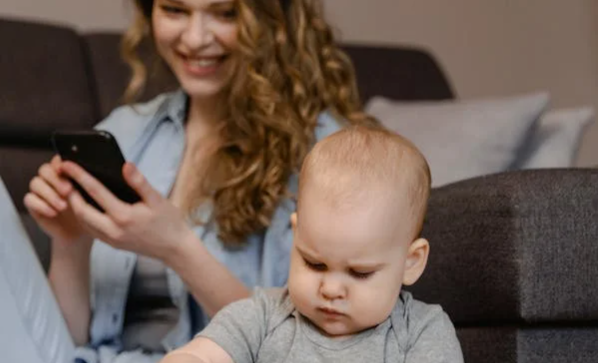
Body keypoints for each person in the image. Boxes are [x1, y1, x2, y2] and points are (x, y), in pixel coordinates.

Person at [0, 0, 376, 362]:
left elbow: (293, 349)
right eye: (175, 10)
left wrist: (178, 247)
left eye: (226, 13)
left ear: (273, 20)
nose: (195, 39)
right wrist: (71, 243)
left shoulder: (325, 156)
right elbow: (66, 342)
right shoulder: (127, 130)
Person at [159, 126, 464, 363]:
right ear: (296, 236)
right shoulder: (262, 316)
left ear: (411, 262)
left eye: (359, 273)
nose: (330, 290)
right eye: (315, 264)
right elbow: (203, 354)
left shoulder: (421, 331)